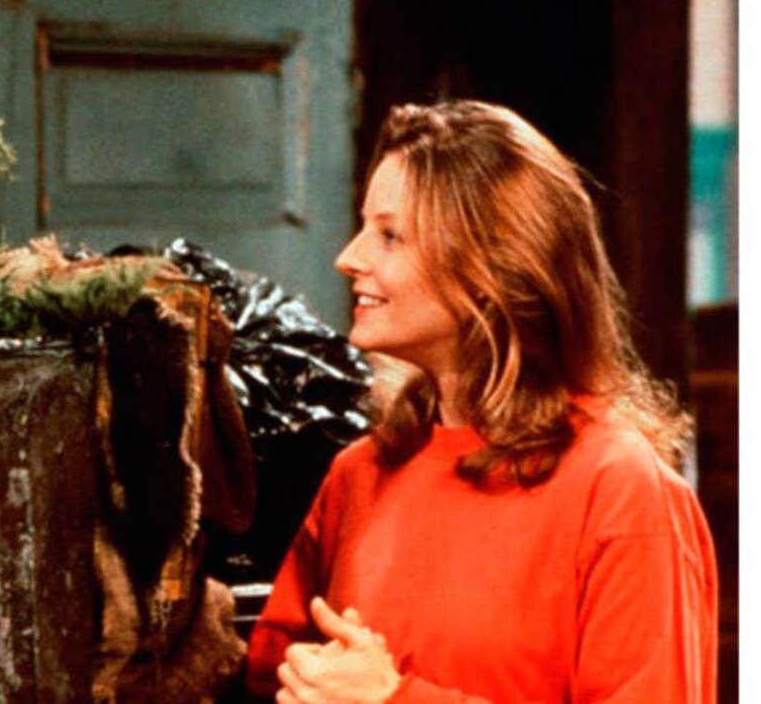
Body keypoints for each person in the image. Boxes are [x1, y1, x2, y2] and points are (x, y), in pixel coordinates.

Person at [244, 100, 718, 703]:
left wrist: (396, 699)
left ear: (494, 268)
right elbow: (274, 677)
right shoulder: (357, 475)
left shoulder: (621, 491)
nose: (349, 258)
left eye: (390, 236)